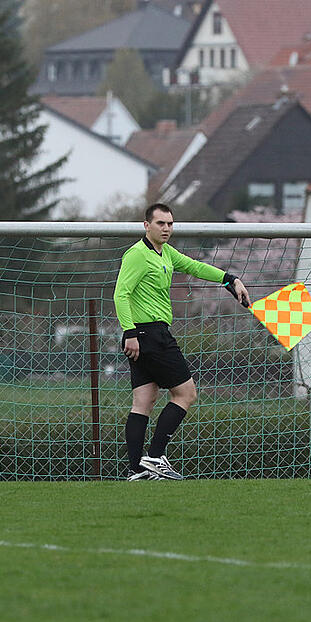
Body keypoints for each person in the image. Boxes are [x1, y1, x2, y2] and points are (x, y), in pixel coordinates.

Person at [113, 203, 250, 480]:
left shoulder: (165, 253)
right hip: (150, 335)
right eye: (160, 223)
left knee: (144, 401)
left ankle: (136, 470)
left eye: (170, 224)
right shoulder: (137, 255)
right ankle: (154, 456)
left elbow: (195, 266)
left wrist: (230, 279)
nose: (166, 228)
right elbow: (121, 294)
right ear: (146, 225)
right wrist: (129, 331)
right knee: (186, 393)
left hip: (146, 336)